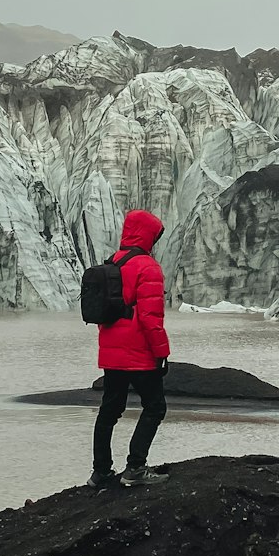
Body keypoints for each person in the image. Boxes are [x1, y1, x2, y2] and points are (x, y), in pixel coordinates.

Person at [88, 208, 171, 488]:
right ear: (148, 235)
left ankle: (100, 472)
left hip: (111, 353)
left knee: (109, 411)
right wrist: (161, 352)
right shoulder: (147, 267)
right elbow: (150, 317)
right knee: (155, 407)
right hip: (139, 355)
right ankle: (135, 467)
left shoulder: (113, 262)